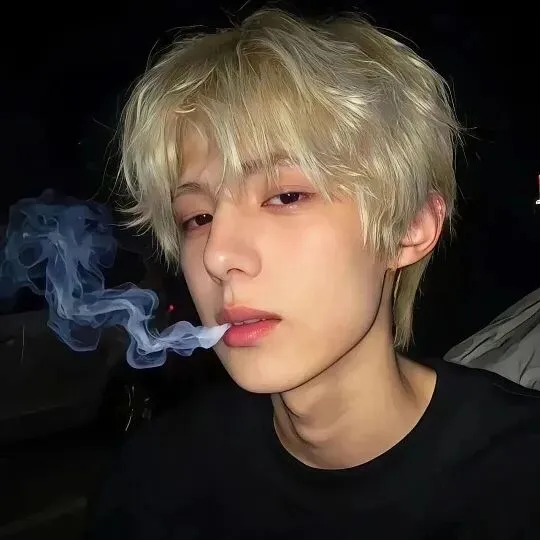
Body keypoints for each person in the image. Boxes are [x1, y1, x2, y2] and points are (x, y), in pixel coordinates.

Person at [86, 8, 540, 539]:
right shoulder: (155, 482)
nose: (217, 256)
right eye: (198, 218)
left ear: (410, 228)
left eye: (286, 196)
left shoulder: (520, 476)